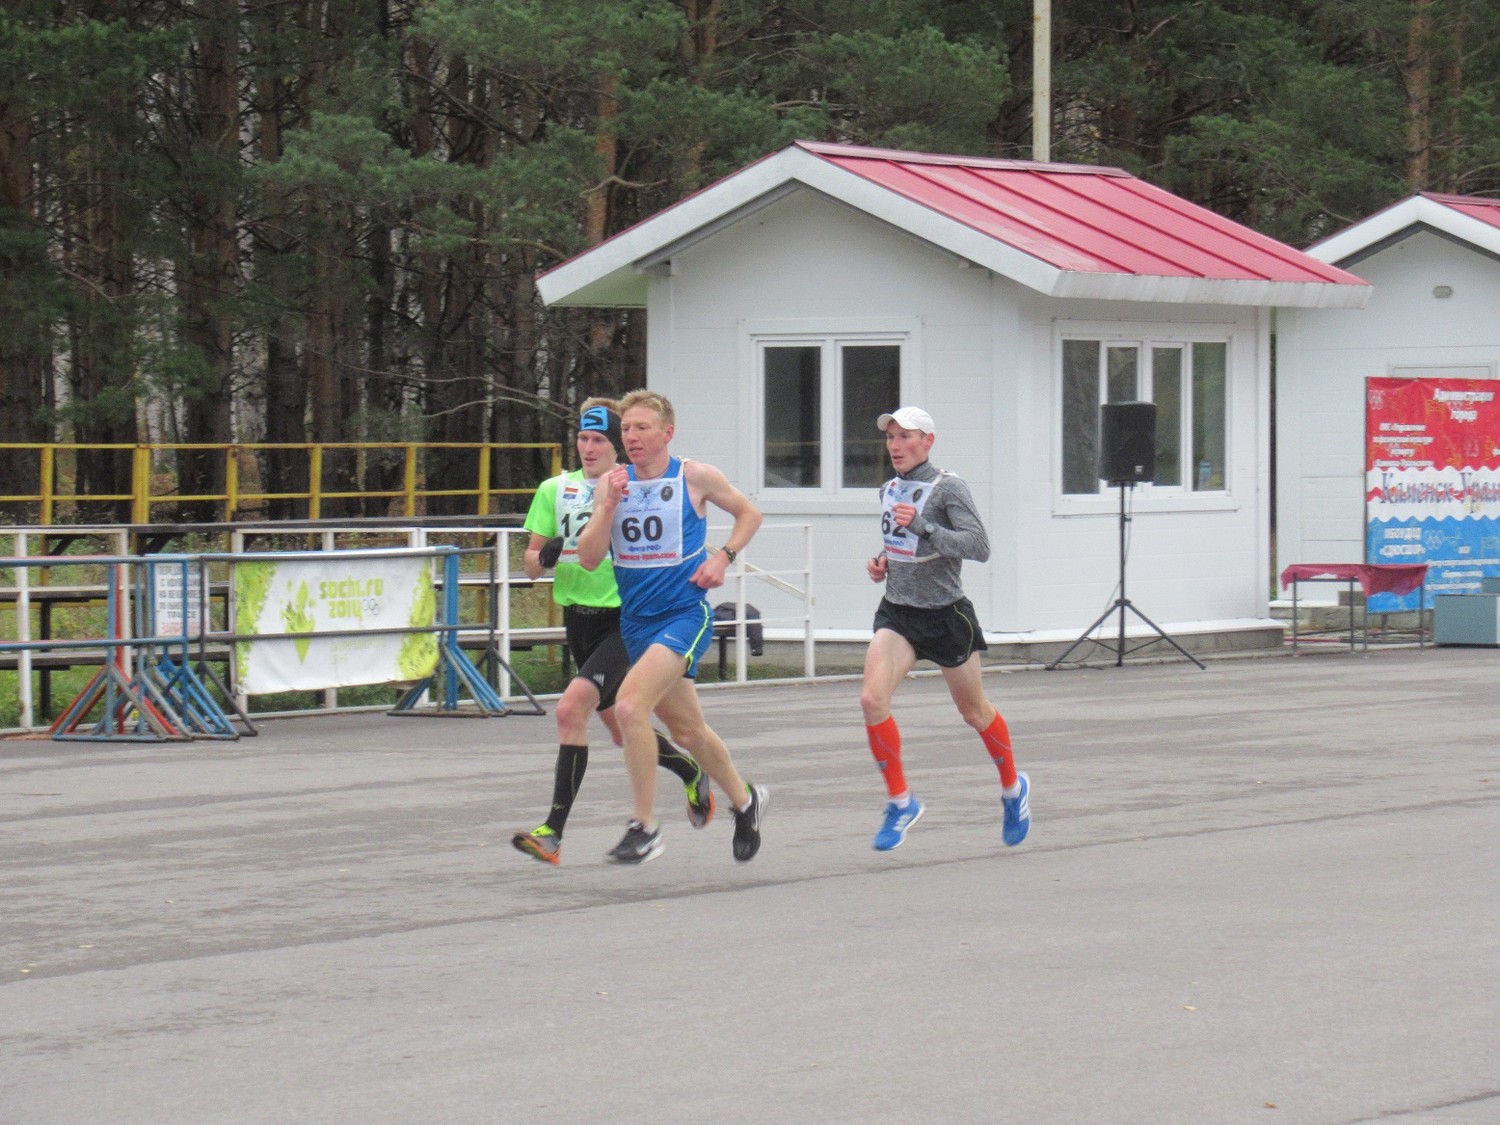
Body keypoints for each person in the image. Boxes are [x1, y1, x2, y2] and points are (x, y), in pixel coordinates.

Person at [511, 398, 715, 865]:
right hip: (578, 619)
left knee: (570, 710)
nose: (589, 447)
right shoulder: (554, 489)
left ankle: (552, 833)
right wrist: (543, 558)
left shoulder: (631, 487)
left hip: (623, 619)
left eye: (599, 440)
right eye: (582, 438)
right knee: (624, 730)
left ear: (617, 445)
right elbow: (530, 565)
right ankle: (689, 770)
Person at [576, 389, 768, 864]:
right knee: (687, 731)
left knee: (628, 708)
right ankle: (746, 802)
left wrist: (723, 558)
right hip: (637, 624)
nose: (632, 437)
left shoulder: (693, 476)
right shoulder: (612, 485)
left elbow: (749, 513)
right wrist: (607, 507)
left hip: (683, 614)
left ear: (667, 433)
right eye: (626, 429)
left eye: (642, 428)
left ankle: (644, 827)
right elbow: (589, 558)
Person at [860, 406, 1030, 852]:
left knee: (974, 713)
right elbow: (900, 541)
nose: (895, 445)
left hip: (945, 616)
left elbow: (978, 546)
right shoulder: (889, 488)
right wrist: (883, 561)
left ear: (928, 441)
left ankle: (1013, 789)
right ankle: (901, 802)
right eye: (890, 437)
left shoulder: (948, 487)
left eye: (905, 436)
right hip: (898, 614)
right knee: (872, 700)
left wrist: (925, 527)